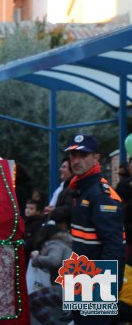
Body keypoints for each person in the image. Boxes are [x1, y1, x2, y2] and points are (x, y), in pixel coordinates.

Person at [65, 134, 125, 325]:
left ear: (96, 158)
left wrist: (103, 288)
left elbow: (114, 245)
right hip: (79, 273)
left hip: (96, 278)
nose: (76, 160)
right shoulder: (81, 188)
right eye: (73, 155)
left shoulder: (100, 193)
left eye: (83, 155)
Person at [28, 223, 73, 325]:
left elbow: (54, 260)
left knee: (32, 300)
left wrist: (37, 259)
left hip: (66, 288)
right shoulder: (65, 243)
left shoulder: (54, 243)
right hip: (75, 287)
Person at [43, 158, 73, 230]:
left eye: (64, 167)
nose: (60, 169)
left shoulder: (72, 187)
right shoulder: (62, 187)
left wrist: (53, 211)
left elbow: (69, 208)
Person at [23, 199, 45, 264]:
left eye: (31, 208)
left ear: (38, 211)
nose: (27, 210)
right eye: (26, 208)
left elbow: (35, 238)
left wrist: (25, 244)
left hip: (30, 253)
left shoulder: (38, 224)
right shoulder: (25, 221)